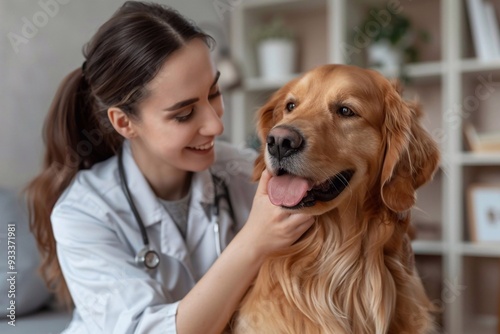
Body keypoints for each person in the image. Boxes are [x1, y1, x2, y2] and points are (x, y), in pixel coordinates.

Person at [25, 2, 314, 333]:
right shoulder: (83, 213)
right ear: (124, 122)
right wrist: (254, 241)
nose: (216, 127)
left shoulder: (244, 174)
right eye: (184, 114)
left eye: (214, 93)